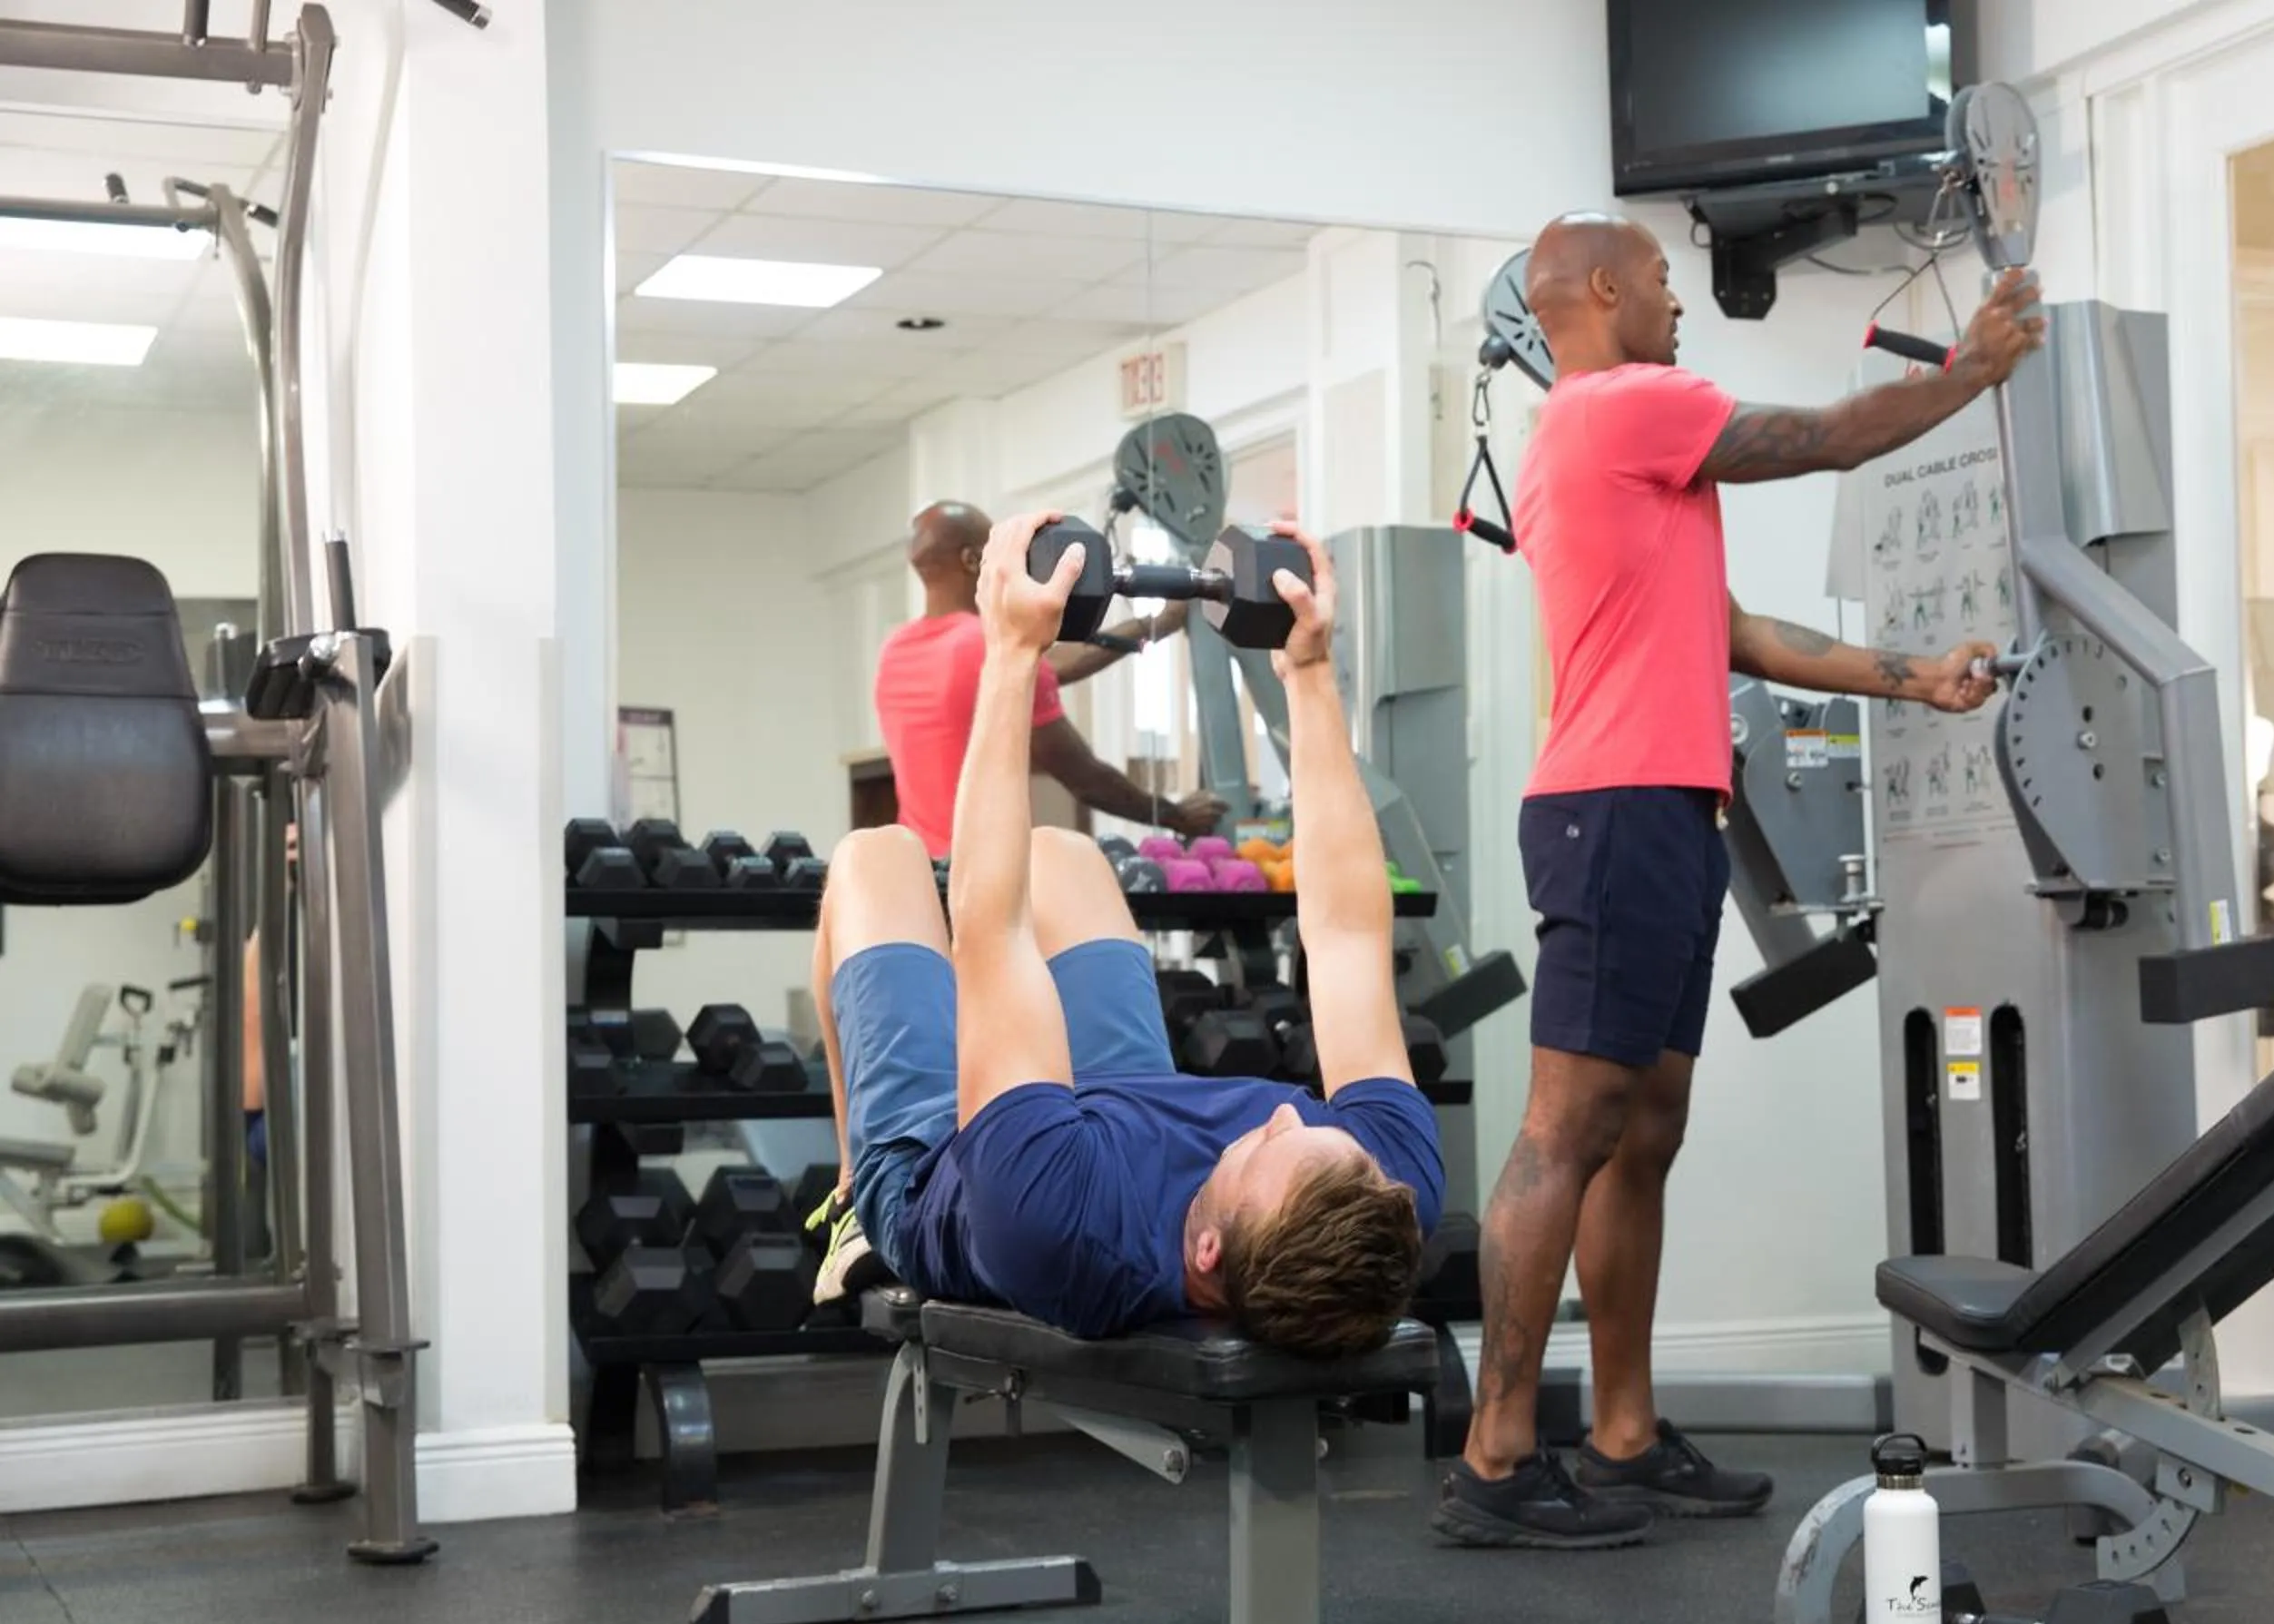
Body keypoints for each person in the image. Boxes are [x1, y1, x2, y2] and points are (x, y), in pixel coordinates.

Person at [1431, 212, 2047, 1550]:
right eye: (1661, 280)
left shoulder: (1620, 453)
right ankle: (1493, 1457)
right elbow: (1824, 435)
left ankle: (1624, 1437)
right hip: (1615, 811)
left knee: (1641, 1128)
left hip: (1662, 806)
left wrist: (1914, 675)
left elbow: (1739, 637)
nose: (1677, 304)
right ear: (1599, 290)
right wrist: (1973, 372)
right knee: (1565, 1129)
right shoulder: (1621, 407)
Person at [806, 510, 1436, 1358]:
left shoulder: (1058, 1222)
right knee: (1064, 855)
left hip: (943, 1156)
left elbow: (993, 936)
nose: (1290, 1116)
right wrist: (1309, 671)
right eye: (1318, 1131)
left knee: (877, 860)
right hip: (1126, 1106)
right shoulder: (1380, 1187)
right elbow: (1349, 937)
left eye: (1271, 1150)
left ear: (1207, 1255)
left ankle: (853, 1198)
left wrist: (1009, 657)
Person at [875, 499, 1226, 851]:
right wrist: (1177, 815)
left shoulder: (896, 649)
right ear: (971, 561)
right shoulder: (985, 646)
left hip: (918, 868)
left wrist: (1156, 624)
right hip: (978, 870)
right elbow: (1084, 778)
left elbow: (1050, 665)